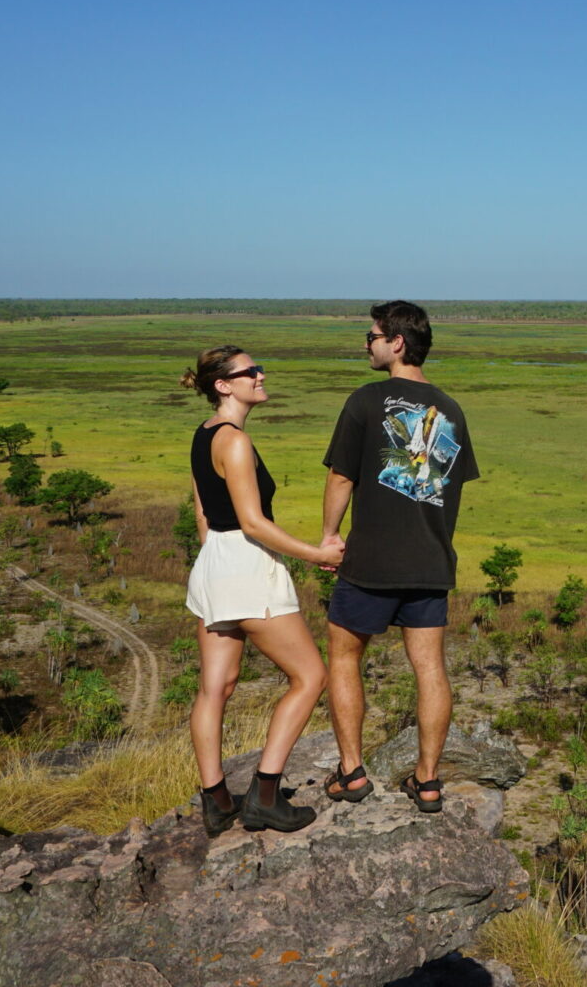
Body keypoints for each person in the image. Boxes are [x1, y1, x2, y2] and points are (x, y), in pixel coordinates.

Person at [318, 301, 479, 813]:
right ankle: (428, 782)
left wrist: (328, 535)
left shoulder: (366, 401)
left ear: (397, 343)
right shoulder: (451, 408)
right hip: (431, 560)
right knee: (430, 669)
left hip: (371, 560)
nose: (365, 344)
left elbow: (342, 476)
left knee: (344, 657)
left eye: (371, 336)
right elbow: (446, 486)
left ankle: (352, 772)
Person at [179, 345, 341, 836]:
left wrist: (216, 560)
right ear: (224, 385)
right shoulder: (235, 441)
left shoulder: (202, 435)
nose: (261, 375)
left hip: (213, 566)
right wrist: (318, 555)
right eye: (250, 372)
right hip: (247, 567)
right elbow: (252, 522)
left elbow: (205, 517)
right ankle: (265, 796)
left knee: (216, 687)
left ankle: (216, 801)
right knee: (311, 677)